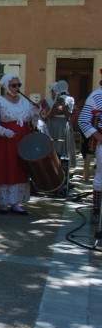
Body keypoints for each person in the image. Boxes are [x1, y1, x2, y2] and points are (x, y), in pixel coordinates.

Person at [0, 74, 40, 215]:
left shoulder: (25, 102)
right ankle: (3, 202)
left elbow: (32, 125)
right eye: (13, 85)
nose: (17, 88)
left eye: (19, 85)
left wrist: (35, 115)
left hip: (22, 142)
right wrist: (5, 132)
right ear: (6, 87)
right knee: (5, 168)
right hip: (5, 142)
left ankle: (16, 203)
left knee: (20, 169)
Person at [77, 70, 102, 223]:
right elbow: (83, 120)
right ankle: (97, 213)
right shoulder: (96, 96)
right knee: (100, 178)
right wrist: (98, 136)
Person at [41, 80, 76, 167]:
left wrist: (48, 116)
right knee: (64, 145)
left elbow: (58, 109)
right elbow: (71, 112)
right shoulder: (71, 98)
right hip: (64, 122)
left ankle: (55, 164)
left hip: (56, 123)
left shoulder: (61, 98)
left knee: (56, 145)